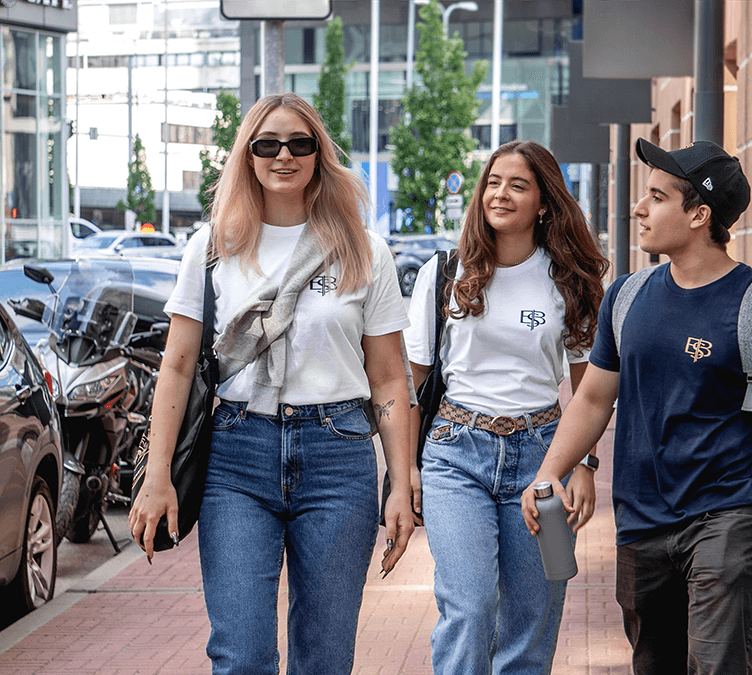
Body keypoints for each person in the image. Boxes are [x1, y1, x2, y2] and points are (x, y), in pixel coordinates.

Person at [128, 92, 415, 675]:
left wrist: (401, 482)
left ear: (319, 155)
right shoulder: (212, 248)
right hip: (236, 457)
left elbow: (388, 376)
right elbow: (178, 366)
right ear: (248, 156)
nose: (284, 155)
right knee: (241, 654)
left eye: (299, 143)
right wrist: (156, 475)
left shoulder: (365, 250)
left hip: (339, 456)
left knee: (325, 657)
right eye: (267, 144)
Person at [522, 139, 752, 675]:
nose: (639, 208)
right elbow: (593, 397)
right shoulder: (627, 296)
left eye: (657, 197)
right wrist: (549, 472)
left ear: (699, 215)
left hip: (727, 515)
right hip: (641, 521)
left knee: (716, 666)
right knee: (655, 665)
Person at [405, 140, 609, 675]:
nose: (501, 193)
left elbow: (591, 390)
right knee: (469, 609)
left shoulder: (570, 280)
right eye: (493, 182)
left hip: (545, 460)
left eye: (518, 185)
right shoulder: (446, 272)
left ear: (544, 202)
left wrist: (584, 466)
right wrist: (404, 469)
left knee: (534, 622)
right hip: (454, 453)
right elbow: (413, 384)